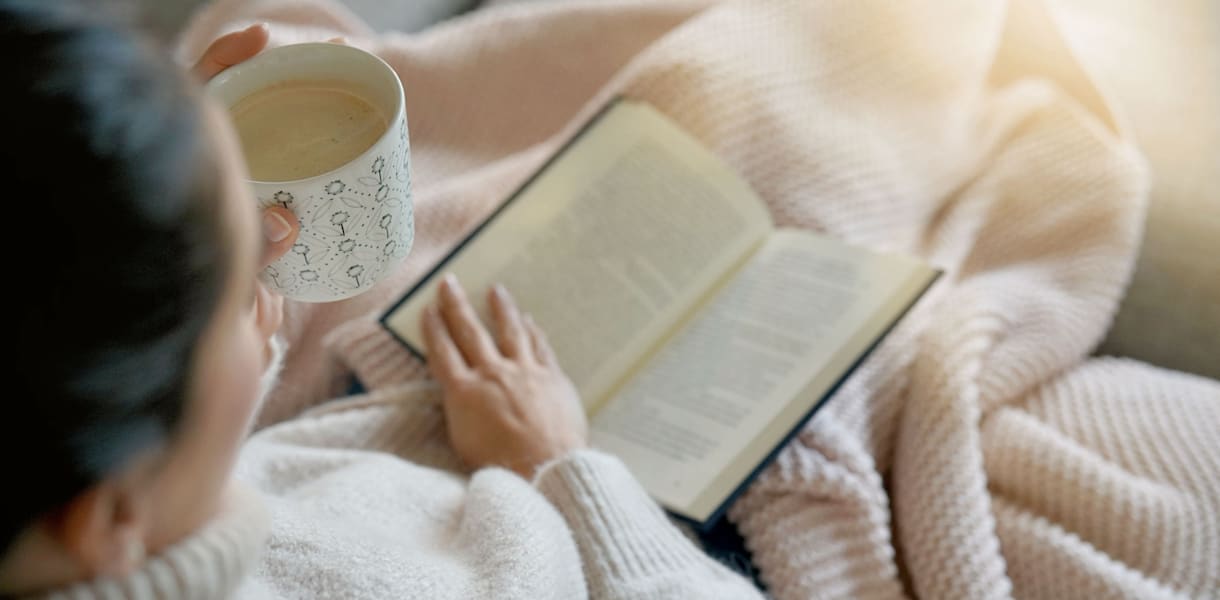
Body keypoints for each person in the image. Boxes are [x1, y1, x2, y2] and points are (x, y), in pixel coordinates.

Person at [0, 2, 764, 598]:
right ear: (113, 516)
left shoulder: (78, 516)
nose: (258, 301)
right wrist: (560, 467)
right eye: (238, 293)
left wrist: (171, 178)